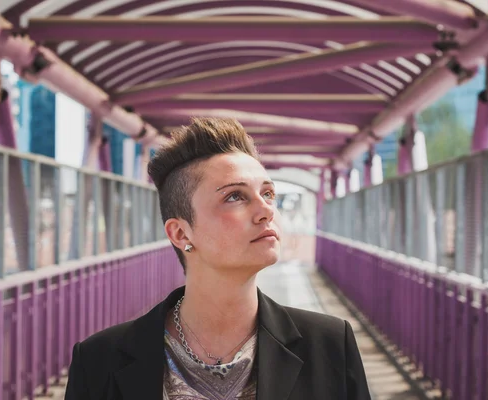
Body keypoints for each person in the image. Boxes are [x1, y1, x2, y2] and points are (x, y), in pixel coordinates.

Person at [64, 118, 371, 400]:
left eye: (267, 193)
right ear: (181, 234)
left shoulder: (330, 345)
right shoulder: (98, 361)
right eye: (234, 196)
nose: (266, 210)